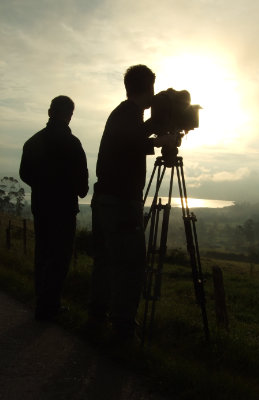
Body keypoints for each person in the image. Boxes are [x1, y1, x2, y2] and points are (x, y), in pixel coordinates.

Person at [90, 65, 175, 342]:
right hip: (120, 202)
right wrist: (160, 140)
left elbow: (131, 138)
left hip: (106, 200)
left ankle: (97, 318)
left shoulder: (124, 114)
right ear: (148, 88)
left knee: (106, 263)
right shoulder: (127, 114)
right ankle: (123, 328)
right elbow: (131, 140)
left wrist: (153, 132)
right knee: (131, 265)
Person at [19, 95, 89, 320]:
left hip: (41, 206)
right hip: (64, 209)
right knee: (59, 257)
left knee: (43, 253)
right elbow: (82, 184)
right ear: (69, 115)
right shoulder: (72, 144)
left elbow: (24, 173)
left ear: (50, 112)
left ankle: (43, 301)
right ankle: (50, 305)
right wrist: (75, 189)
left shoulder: (33, 141)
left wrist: (42, 186)